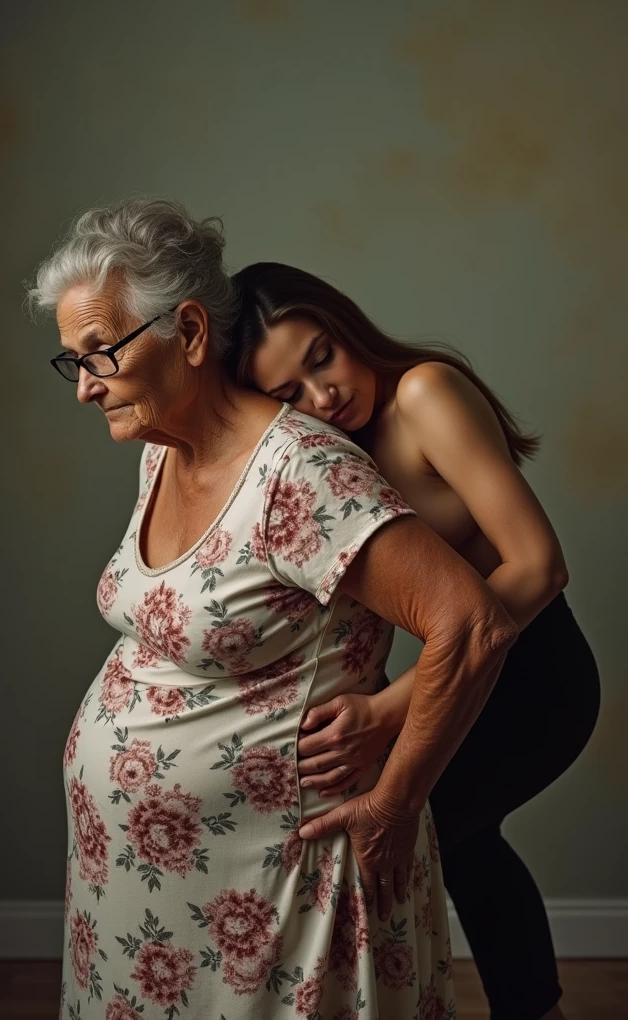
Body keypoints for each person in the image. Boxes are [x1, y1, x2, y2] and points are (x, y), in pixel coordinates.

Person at [28, 199, 518, 1020]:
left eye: (99, 354)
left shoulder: (302, 470)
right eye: (70, 361)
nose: (84, 389)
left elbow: (472, 624)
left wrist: (396, 805)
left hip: (280, 896)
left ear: (187, 334)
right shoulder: (160, 450)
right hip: (142, 896)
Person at [227, 262, 601, 1020]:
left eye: (322, 357)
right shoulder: (329, 447)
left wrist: (393, 708)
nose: (324, 396)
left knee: (429, 836)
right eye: (289, 393)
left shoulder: (424, 393)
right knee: (464, 845)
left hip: (534, 680)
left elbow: (541, 565)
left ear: (347, 327)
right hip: (462, 673)